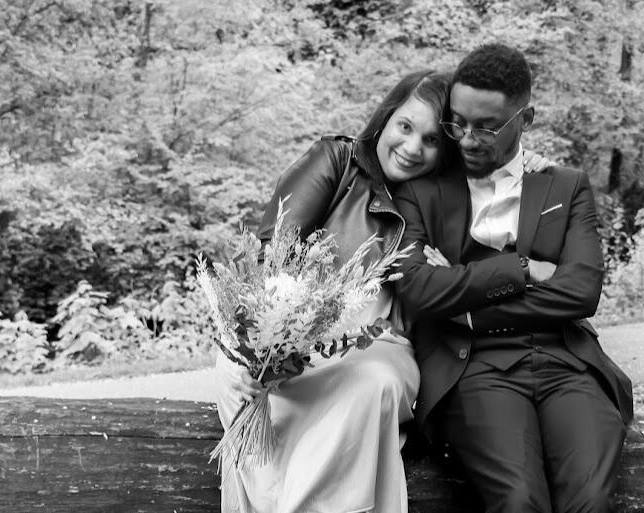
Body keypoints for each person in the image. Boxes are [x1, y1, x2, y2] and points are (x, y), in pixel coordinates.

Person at [213, 68, 554, 513]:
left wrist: (523, 169)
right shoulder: (339, 161)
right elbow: (271, 256)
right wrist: (259, 346)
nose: (412, 148)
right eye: (405, 126)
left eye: (431, 140)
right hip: (287, 339)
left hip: (380, 346)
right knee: (238, 376)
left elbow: (496, 254)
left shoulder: (448, 201)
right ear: (386, 117)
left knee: (373, 383)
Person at [393, 43, 634, 513]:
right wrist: (522, 269)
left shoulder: (565, 185)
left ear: (525, 120)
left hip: (567, 362)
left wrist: (465, 304)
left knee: (590, 499)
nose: (467, 140)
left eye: (486, 127)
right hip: (474, 367)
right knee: (519, 500)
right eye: (457, 123)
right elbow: (419, 290)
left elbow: (581, 292)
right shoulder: (422, 192)